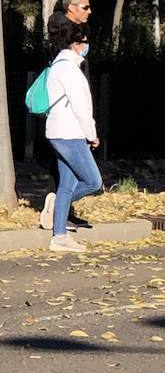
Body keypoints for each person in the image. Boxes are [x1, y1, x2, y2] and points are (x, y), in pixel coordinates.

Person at [41, 19, 103, 253]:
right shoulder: (69, 70)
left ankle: (59, 237)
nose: (87, 46)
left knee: (67, 184)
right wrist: (92, 134)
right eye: (85, 41)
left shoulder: (58, 65)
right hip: (70, 133)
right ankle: (56, 206)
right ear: (77, 43)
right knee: (93, 181)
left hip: (58, 131)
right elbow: (81, 107)